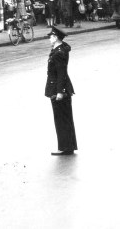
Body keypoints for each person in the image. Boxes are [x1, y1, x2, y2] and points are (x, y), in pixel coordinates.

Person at [45, 25, 77, 156]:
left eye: (51, 36)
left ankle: (64, 147)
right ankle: (69, 146)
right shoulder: (61, 48)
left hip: (59, 88)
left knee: (61, 119)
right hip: (62, 87)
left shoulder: (58, 53)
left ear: (56, 37)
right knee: (66, 118)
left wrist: (59, 91)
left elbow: (61, 73)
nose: (49, 39)